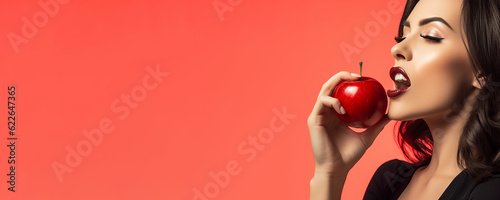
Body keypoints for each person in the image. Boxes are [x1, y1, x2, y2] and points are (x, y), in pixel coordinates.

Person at [307, 0, 500, 199]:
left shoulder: (491, 192)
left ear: (481, 72)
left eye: (430, 36)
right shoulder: (389, 182)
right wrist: (329, 174)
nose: (397, 49)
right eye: (403, 36)